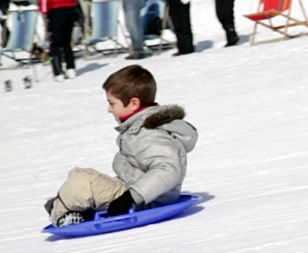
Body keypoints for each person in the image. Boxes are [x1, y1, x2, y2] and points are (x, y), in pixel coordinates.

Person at [44, 65, 199, 227]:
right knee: (86, 179)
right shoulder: (141, 128)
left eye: (112, 104)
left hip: (145, 200)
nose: (109, 110)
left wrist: (130, 198)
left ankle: (61, 216)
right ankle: (65, 207)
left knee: (82, 180)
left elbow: (168, 169)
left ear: (133, 103)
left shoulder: (147, 133)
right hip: (134, 192)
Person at [39, 0, 78, 81]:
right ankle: (70, 68)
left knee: (55, 43)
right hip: (70, 8)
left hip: (56, 10)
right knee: (66, 41)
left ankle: (58, 72)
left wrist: (44, 11)